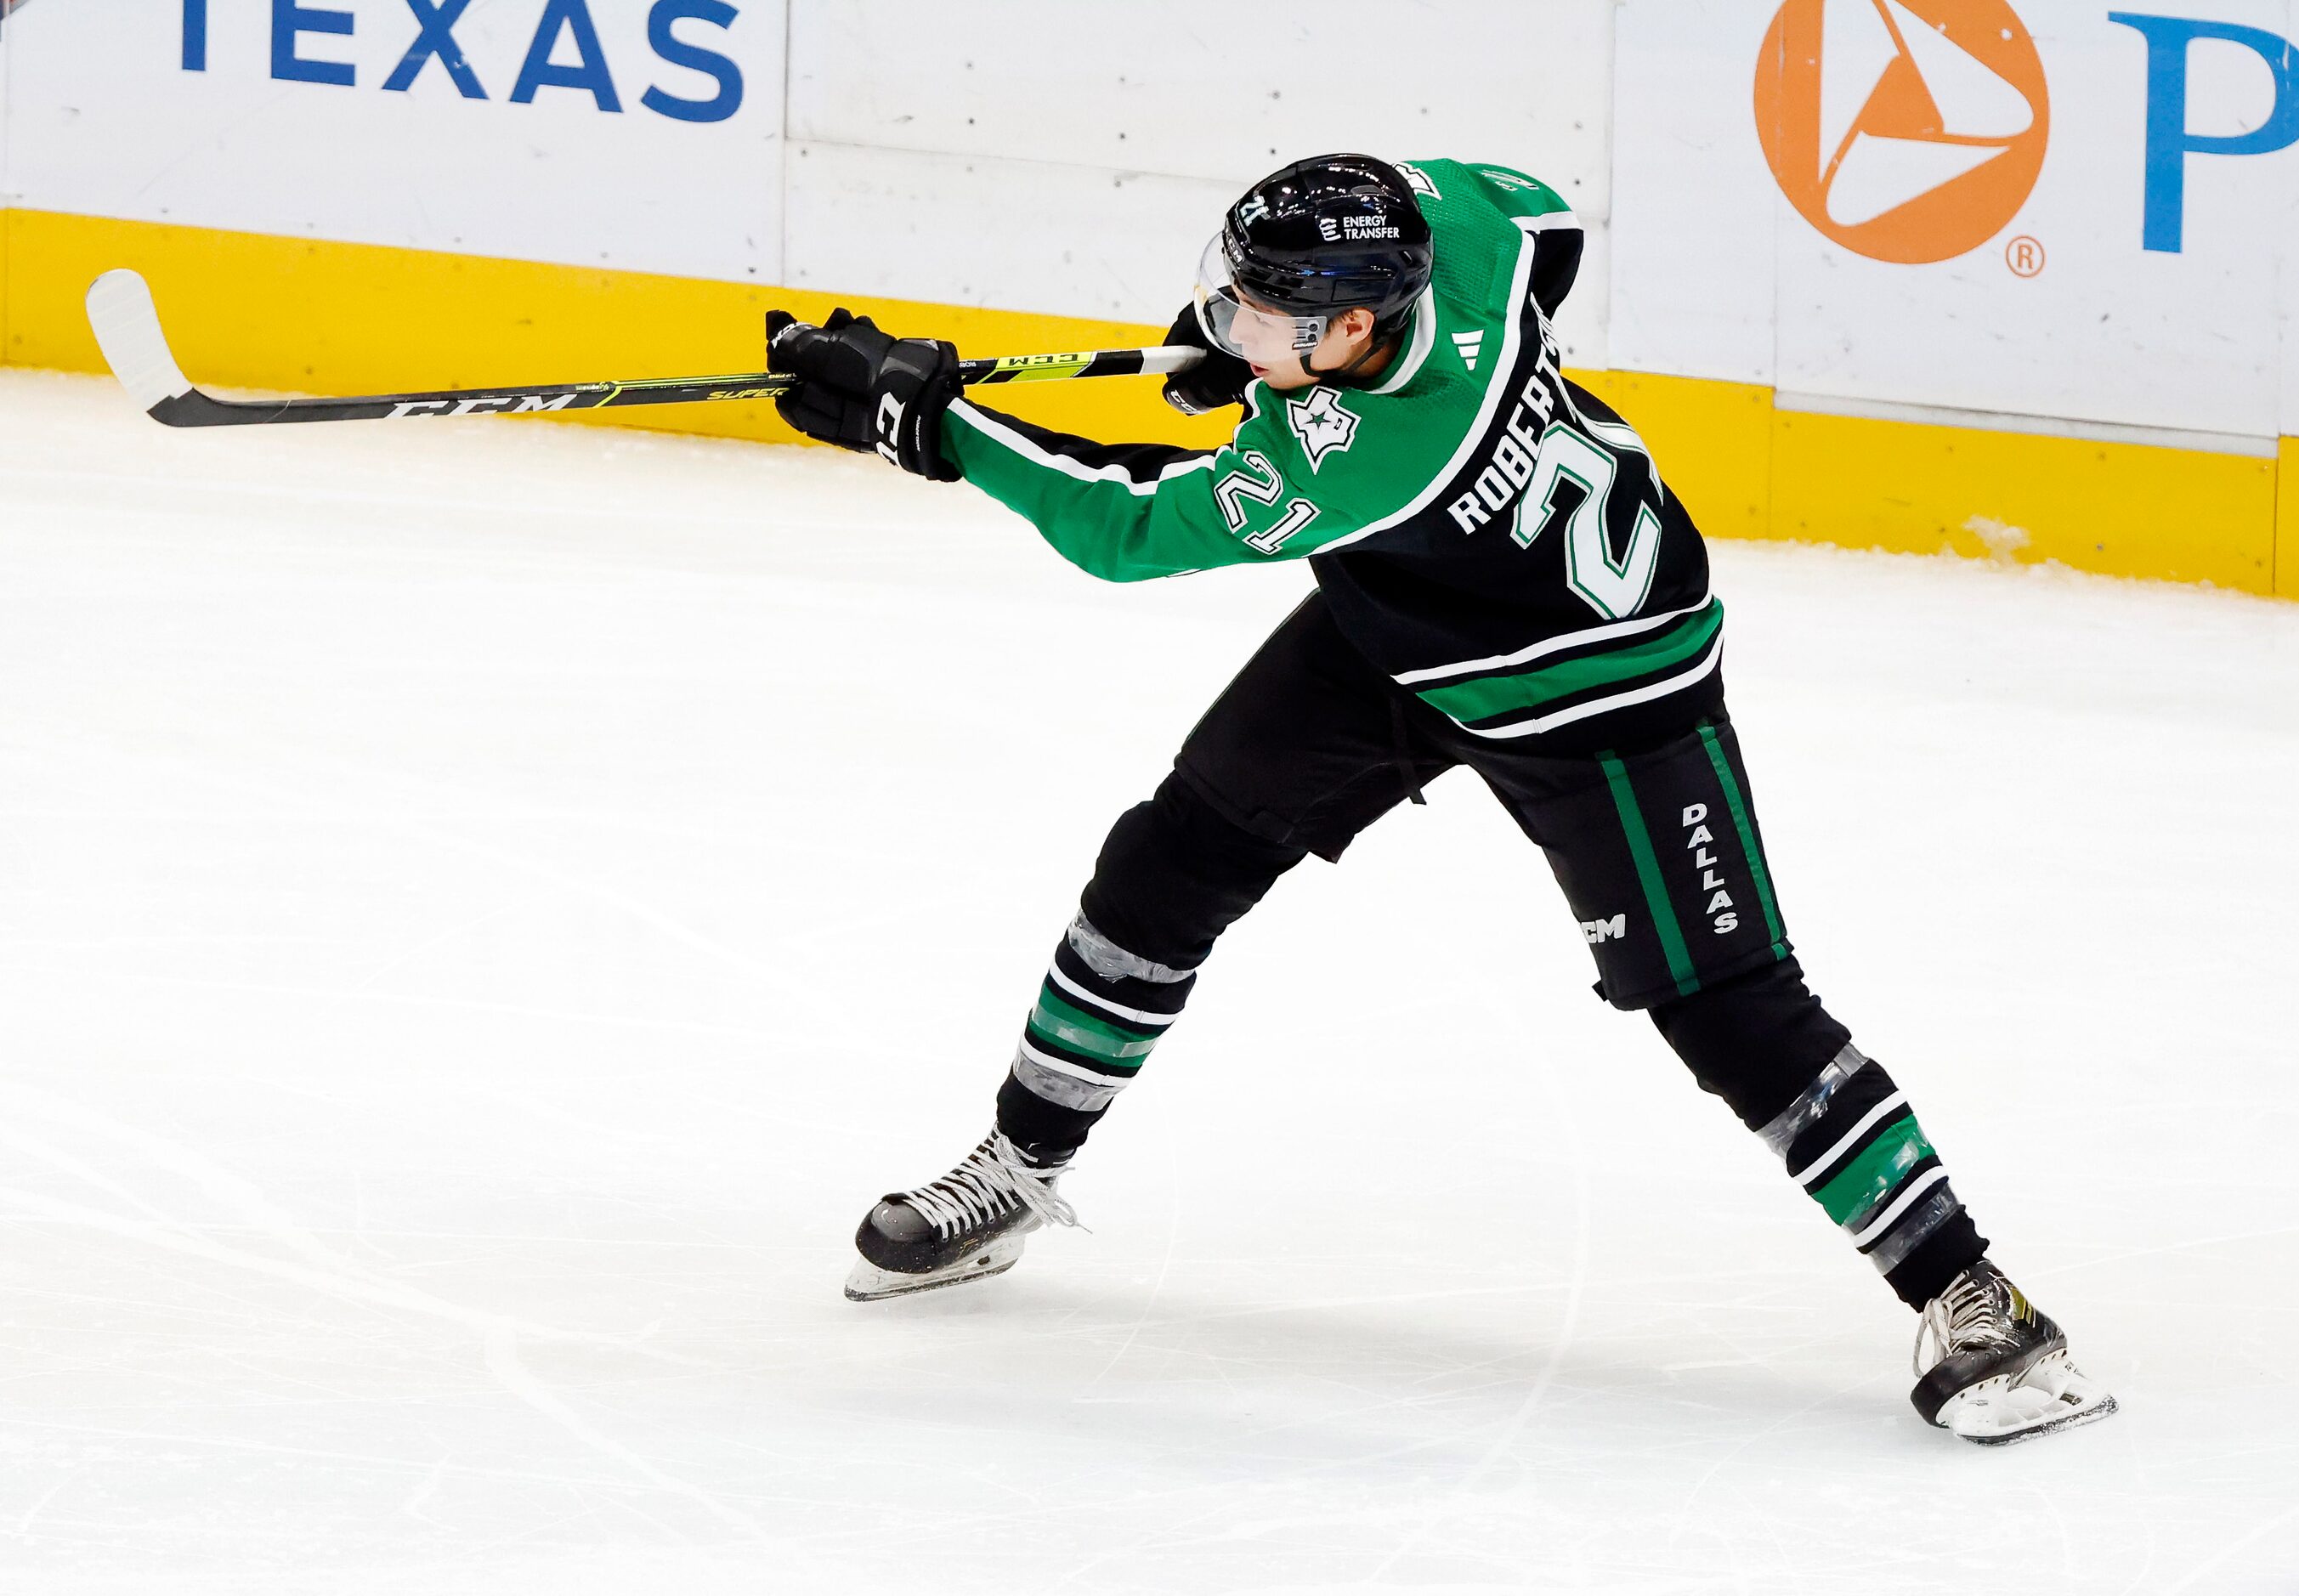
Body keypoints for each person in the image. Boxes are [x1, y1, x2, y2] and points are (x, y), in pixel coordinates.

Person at [762, 154, 2115, 1446]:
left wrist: (926, 419)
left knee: (1724, 1001)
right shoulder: (1446, 233)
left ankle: (1976, 1302)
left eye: (1265, 309)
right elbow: (1550, 225)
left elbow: (1124, 518)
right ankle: (1016, 1167)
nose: (1230, 315)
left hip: (1599, 692)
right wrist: (1242, 344)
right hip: (1404, 619)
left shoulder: (1363, 456)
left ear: (1355, 326)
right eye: (1229, 287)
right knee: (1168, 865)